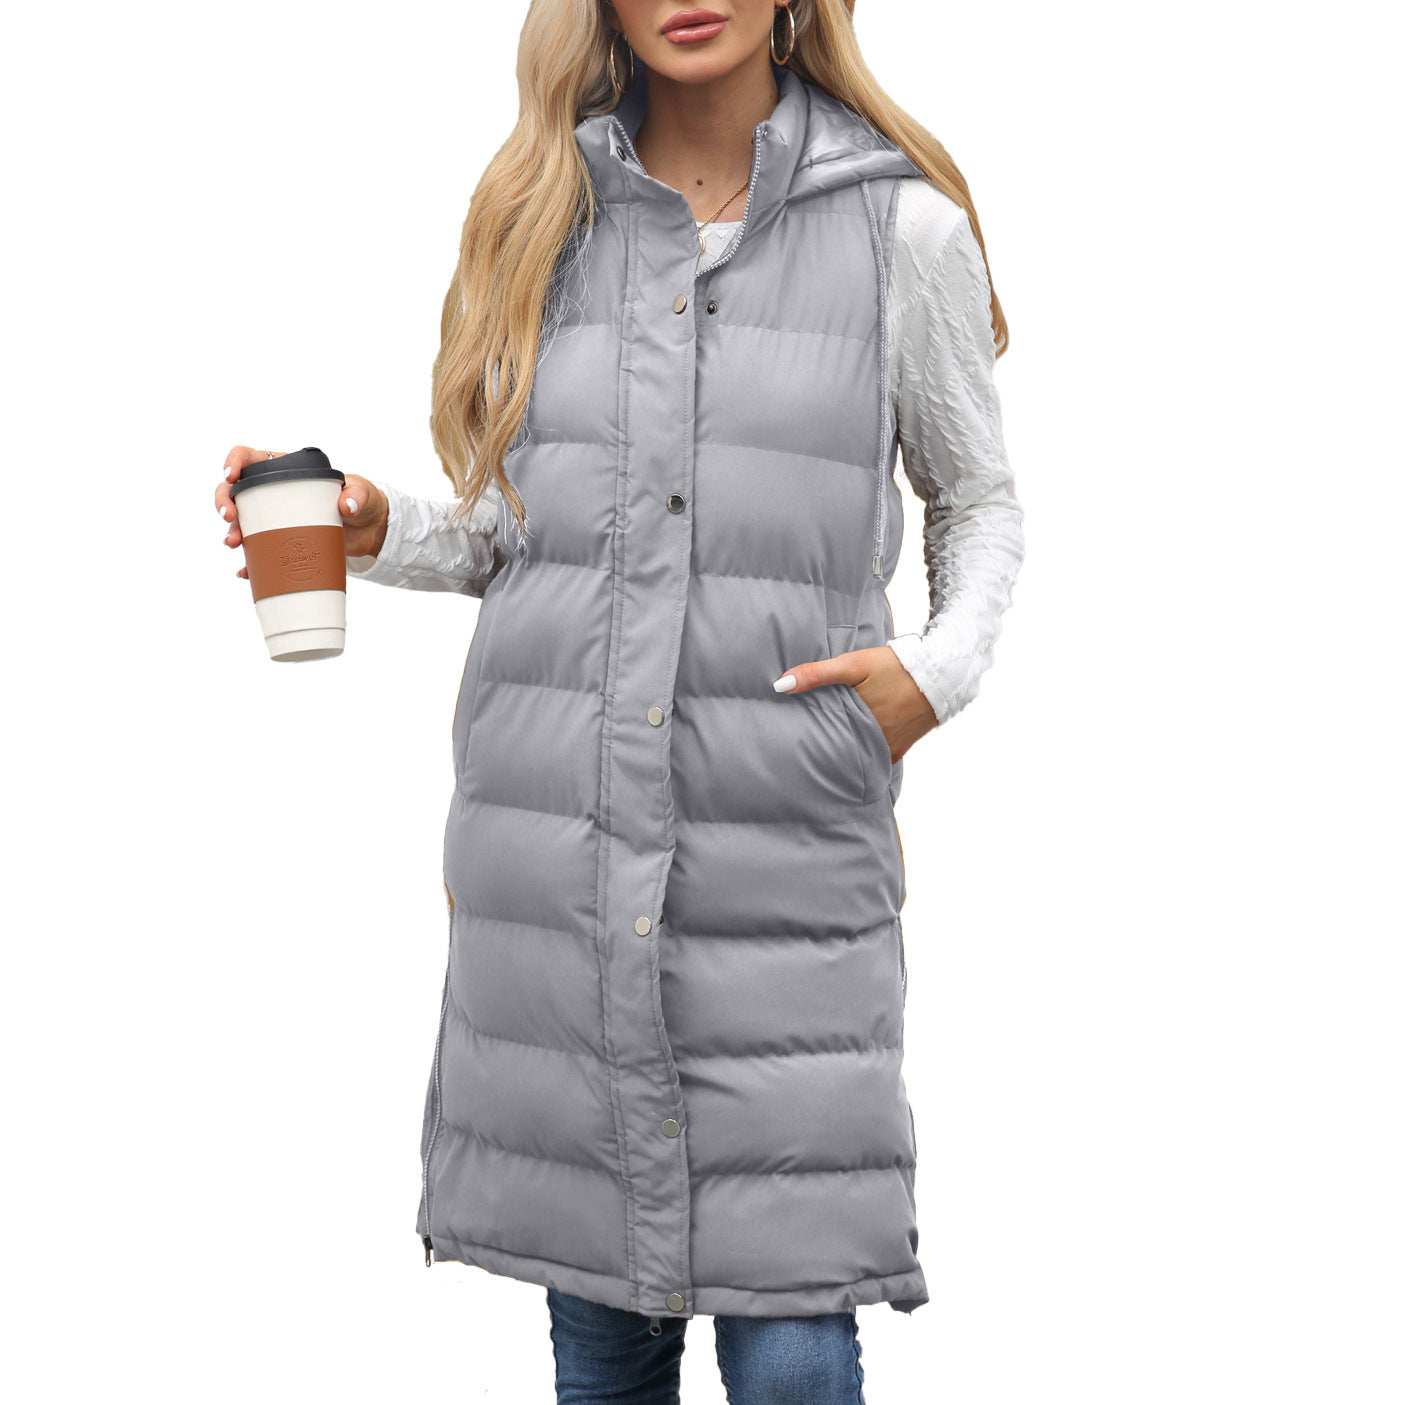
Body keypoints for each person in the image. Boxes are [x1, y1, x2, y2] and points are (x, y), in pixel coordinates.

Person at [216, 2, 1024, 1399]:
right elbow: (508, 532)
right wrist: (371, 524)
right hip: (562, 855)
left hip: (782, 854)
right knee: (602, 1342)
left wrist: (935, 675)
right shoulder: (544, 219)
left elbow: (980, 499)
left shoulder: (903, 232)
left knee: (792, 1348)